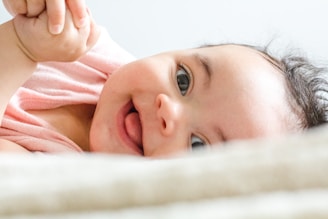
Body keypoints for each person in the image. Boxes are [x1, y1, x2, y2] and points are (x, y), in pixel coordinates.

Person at [0, 0, 327, 156]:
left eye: (197, 145)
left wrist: (18, 47)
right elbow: (48, 16)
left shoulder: (60, 172)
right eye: (183, 80)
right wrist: (41, 10)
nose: (168, 110)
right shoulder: (95, 53)